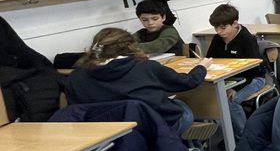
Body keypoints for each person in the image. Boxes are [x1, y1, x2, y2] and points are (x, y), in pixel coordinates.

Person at [66, 27, 209, 135]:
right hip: (150, 127)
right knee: (181, 107)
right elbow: (187, 82)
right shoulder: (146, 67)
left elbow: (75, 109)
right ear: (131, 46)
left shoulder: (76, 76)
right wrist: (201, 67)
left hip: (104, 134)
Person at [205, 3, 266, 136]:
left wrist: (236, 88)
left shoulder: (247, 39)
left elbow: (254, 68)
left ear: (235, 23)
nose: (219, 32)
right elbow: (210, 59)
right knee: (206, 97)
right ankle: (228, 135)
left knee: (230, 101)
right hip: (228, 79)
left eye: (223, 28)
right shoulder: (217, 39)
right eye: (216, 28)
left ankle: (243, 137)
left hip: (253, 78)